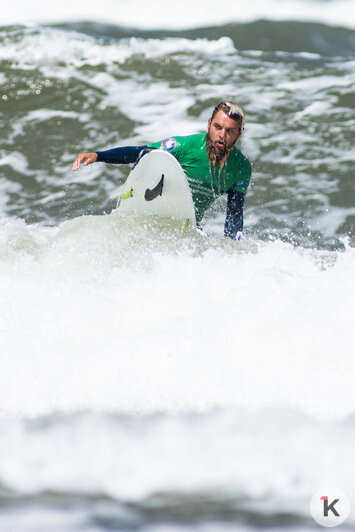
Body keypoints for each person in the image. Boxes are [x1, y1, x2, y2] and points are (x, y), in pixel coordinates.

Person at [72, 101, 252, 239]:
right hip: (148, 220)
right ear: (209, 124)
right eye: (218, 127)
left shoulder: (241, 168)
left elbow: (234, 216)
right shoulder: (184, 146)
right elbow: (140, 153)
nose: (222, 135)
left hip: (189, 230)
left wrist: (231, 250)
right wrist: (98, 156)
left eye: (230, 131)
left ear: (239, 133)